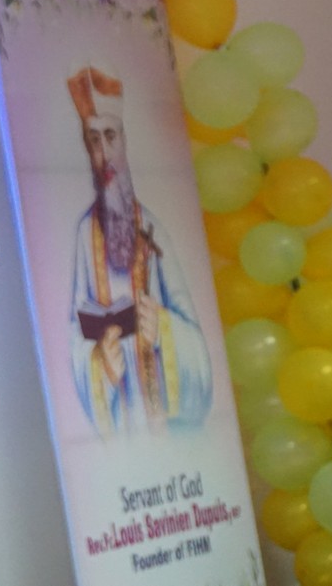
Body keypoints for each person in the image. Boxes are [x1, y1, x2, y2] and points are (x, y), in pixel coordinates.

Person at [65, 67, 212, 438]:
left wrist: (163, 328)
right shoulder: (84, 233)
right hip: (121, 422)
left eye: (110, 136)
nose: (103, 154)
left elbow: (195, 336)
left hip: (165, 423)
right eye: (93, 140)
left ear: (124, 142)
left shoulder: (153, 227)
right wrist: (101, 363)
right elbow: (74, 332)